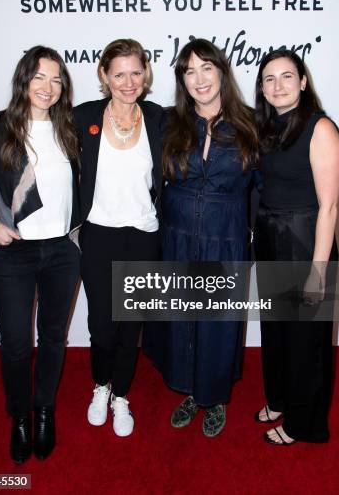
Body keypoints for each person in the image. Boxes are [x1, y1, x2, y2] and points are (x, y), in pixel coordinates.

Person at [143, 38, 258, 437]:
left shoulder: (252, 124)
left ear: (222, 72)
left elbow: (264, 189)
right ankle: (191, 391)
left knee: (218, 323)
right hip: (176, 237)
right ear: (182, 80)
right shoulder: (167, 122)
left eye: (206, 68)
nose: (199, 78)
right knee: (180, 320)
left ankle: (215, 398)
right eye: (189, 71)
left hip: (225, 239)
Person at [0, 46, 81, 463]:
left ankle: (44, 411)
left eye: (56, 79)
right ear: (24, 80)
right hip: (13, 252)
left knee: (54, 336)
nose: (48, 87)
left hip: (62, 251)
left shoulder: (68, 128)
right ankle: (19, 415)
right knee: (16, 342)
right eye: (39, 77)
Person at [73, 38, 163, 437]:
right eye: (120, 73)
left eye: (136, 72)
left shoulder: (160, 119)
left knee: (131, 324)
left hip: (143, 235)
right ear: (104, 76)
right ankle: (101, 386)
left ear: (146, 74)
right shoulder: (82, 117)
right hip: (98, 235)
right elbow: (35, 131)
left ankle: (122, 395)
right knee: (102, 323)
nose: (129, 82)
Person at [253, 49, 339, 445]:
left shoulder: (319, 127)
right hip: (271, 238)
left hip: (307, 241)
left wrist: (318, 269)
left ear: (303, 82)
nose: (278, 85)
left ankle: (303, 425)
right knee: (276, 331)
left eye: (287, 76)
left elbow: (329, 207)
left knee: (306, 338)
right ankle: (280, 399)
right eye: (269, 79)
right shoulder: (267, 127)